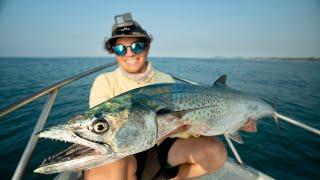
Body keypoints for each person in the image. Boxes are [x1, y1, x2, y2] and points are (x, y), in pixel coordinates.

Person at [85, 13, 255, 180]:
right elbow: (102, 135)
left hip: (162, 143)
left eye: (136, 46)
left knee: (216, 152)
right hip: (123, 149)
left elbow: (182, 124)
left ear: (147, 46)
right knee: (111, 170)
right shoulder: (104, 82)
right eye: (120, 48)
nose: (129, 54)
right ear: (113, 52)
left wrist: (232, 121)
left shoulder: (165, 80)